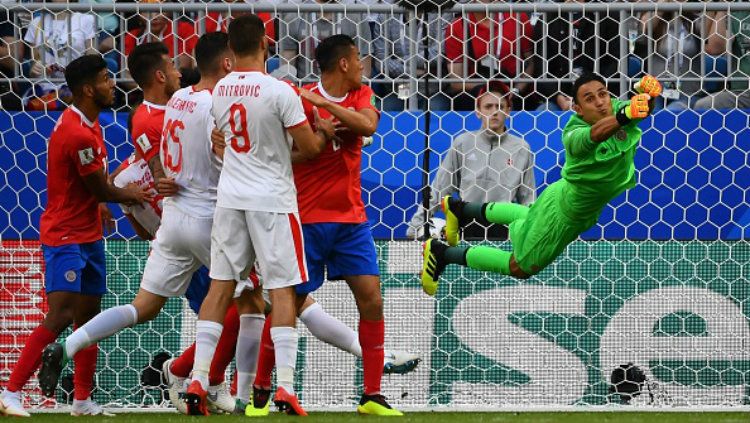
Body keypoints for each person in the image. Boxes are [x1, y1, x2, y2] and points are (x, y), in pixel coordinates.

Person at [37, 33, 241, 415]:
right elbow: (219, 155)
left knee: (143, 306)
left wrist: (162, 175)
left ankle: (68, 346)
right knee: (249, 303)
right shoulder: (207, 104)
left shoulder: (177, 103)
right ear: (227, 64)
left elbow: (158, 164)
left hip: (174, 222)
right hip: (205, 219)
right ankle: (199, 380)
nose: (175, 72)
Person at [246, 34, 405, 417]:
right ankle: (262, 390)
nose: (364, 65)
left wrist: (323, 106)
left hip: (352, 219)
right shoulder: (294, 100)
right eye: (358, 58)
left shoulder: (360, 96)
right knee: (288, 303)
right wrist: (319, 132)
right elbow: (282, 155)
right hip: (307, 218)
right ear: (344, 64)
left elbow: (368, 126)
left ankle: (371, 395)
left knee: (372, 300)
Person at [184, 14, 331, 416]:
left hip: (231, 198)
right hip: (272, 201)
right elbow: (310, 149)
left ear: (230, 49)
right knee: (282, 289)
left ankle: (198, 378)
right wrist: (325, 132)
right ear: (266, 42)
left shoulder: (220, 90)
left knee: (220, 288)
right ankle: (284, 387)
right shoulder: (279, 91)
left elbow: (224, 146)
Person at [0, 54, 150, 418]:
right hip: (65, 234)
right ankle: (10, 391)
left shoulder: (89, 124)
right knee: (61, 314)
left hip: (88, 234)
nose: (111, 84)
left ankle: (82, 400)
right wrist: (137, 195)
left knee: (88, 318)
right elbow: (102, 188)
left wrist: (99, 205)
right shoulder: (76, 132)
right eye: (105, 79)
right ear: (87, 89)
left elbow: (90, 185)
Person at [420, 73, 662, 293]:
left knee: (526, 216)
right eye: (590, 99)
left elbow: (638, 110)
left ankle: (461, 209)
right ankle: (443, 254)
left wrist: (648, 95)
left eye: (603, 94)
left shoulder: (615, 110)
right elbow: (597, 134)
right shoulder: (574, 135)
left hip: (566, 196)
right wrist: (626, 114)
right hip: (564, 216)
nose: (600, 102)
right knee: (519, 267)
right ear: (577, 109)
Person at [407, 81, 535, 240]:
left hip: (503, 226)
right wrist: (415, 226)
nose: (495, 112)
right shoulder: (463, 142)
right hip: (466, 223)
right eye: (488, 107)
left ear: (508, 111)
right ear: (478, 111)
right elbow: (440, 187)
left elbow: (528, 197)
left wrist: (530, 234)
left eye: (500, 106)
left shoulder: (521, 148)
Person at [443, 0, 535, 110]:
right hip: (476, 92)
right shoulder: (458, 26)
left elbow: (531, 63)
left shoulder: (517, 17)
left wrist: (516, 90)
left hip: (514, 91)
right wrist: (492, 89)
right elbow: (456, 82)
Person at [127, 42, 182, 195]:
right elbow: (160, 177)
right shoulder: (144, 121)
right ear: (161, 76)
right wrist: (162, 182)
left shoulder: (185, 102)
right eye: (172, 67)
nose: (179, 74)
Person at [22, 0, 98, 110]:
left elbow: (93, 60)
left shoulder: (85, 20)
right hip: (44, 90)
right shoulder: (36, 23)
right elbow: (34, 68)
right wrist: (35, 69)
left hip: (75, 86)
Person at [276, 0, 373, 81]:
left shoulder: (355, 18)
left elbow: (364, 72)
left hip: (345, 95)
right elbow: (287, 70)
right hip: (307, 94)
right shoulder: (294, 18)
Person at [694, 9, 750, 110]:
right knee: (704, 105)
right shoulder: (736, 13)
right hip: (741, 93)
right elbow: (715, 48)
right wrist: (723, 8)